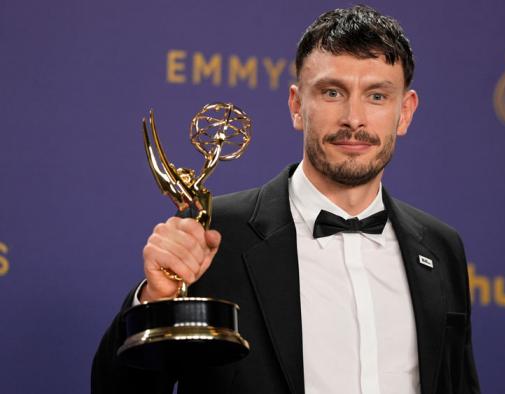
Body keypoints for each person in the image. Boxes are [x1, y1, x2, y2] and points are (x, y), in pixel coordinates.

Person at [92, 5, 480, 394]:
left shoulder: (442, 248)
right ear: (297, 105)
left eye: (377, 96)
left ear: (405, 112)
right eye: (332, 92)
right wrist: (153, 300)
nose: (354, 118)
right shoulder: (213, 235)